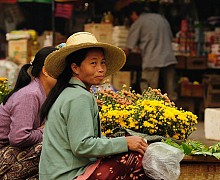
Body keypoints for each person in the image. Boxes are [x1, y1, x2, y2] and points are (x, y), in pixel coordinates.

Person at [39, 32, 150, 180]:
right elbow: (82, 146)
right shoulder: (79, 97)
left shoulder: (68, 92)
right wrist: (125, 142)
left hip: (56, 174)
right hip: (68, 175)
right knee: (135, 159)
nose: (101, 69)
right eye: (93, 63)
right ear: (75, 68)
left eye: (102, 62)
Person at [0, 46, 57, 179]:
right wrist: (44, 131)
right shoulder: (30, 94)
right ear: (46, 71)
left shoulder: (46, 93)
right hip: (4, 153)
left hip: (9, 151)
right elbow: (19, 137)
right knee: (51, 145)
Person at [124, 2, 177, 100]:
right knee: (171, 95)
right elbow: (171, 38)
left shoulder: (139, 22)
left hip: (152, 61)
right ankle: (175, 114)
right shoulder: (162, 19)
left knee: (150, 96)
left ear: (134, 13)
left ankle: (150, 115)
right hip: (169, 59)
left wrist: (118, 61)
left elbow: (128, 48)